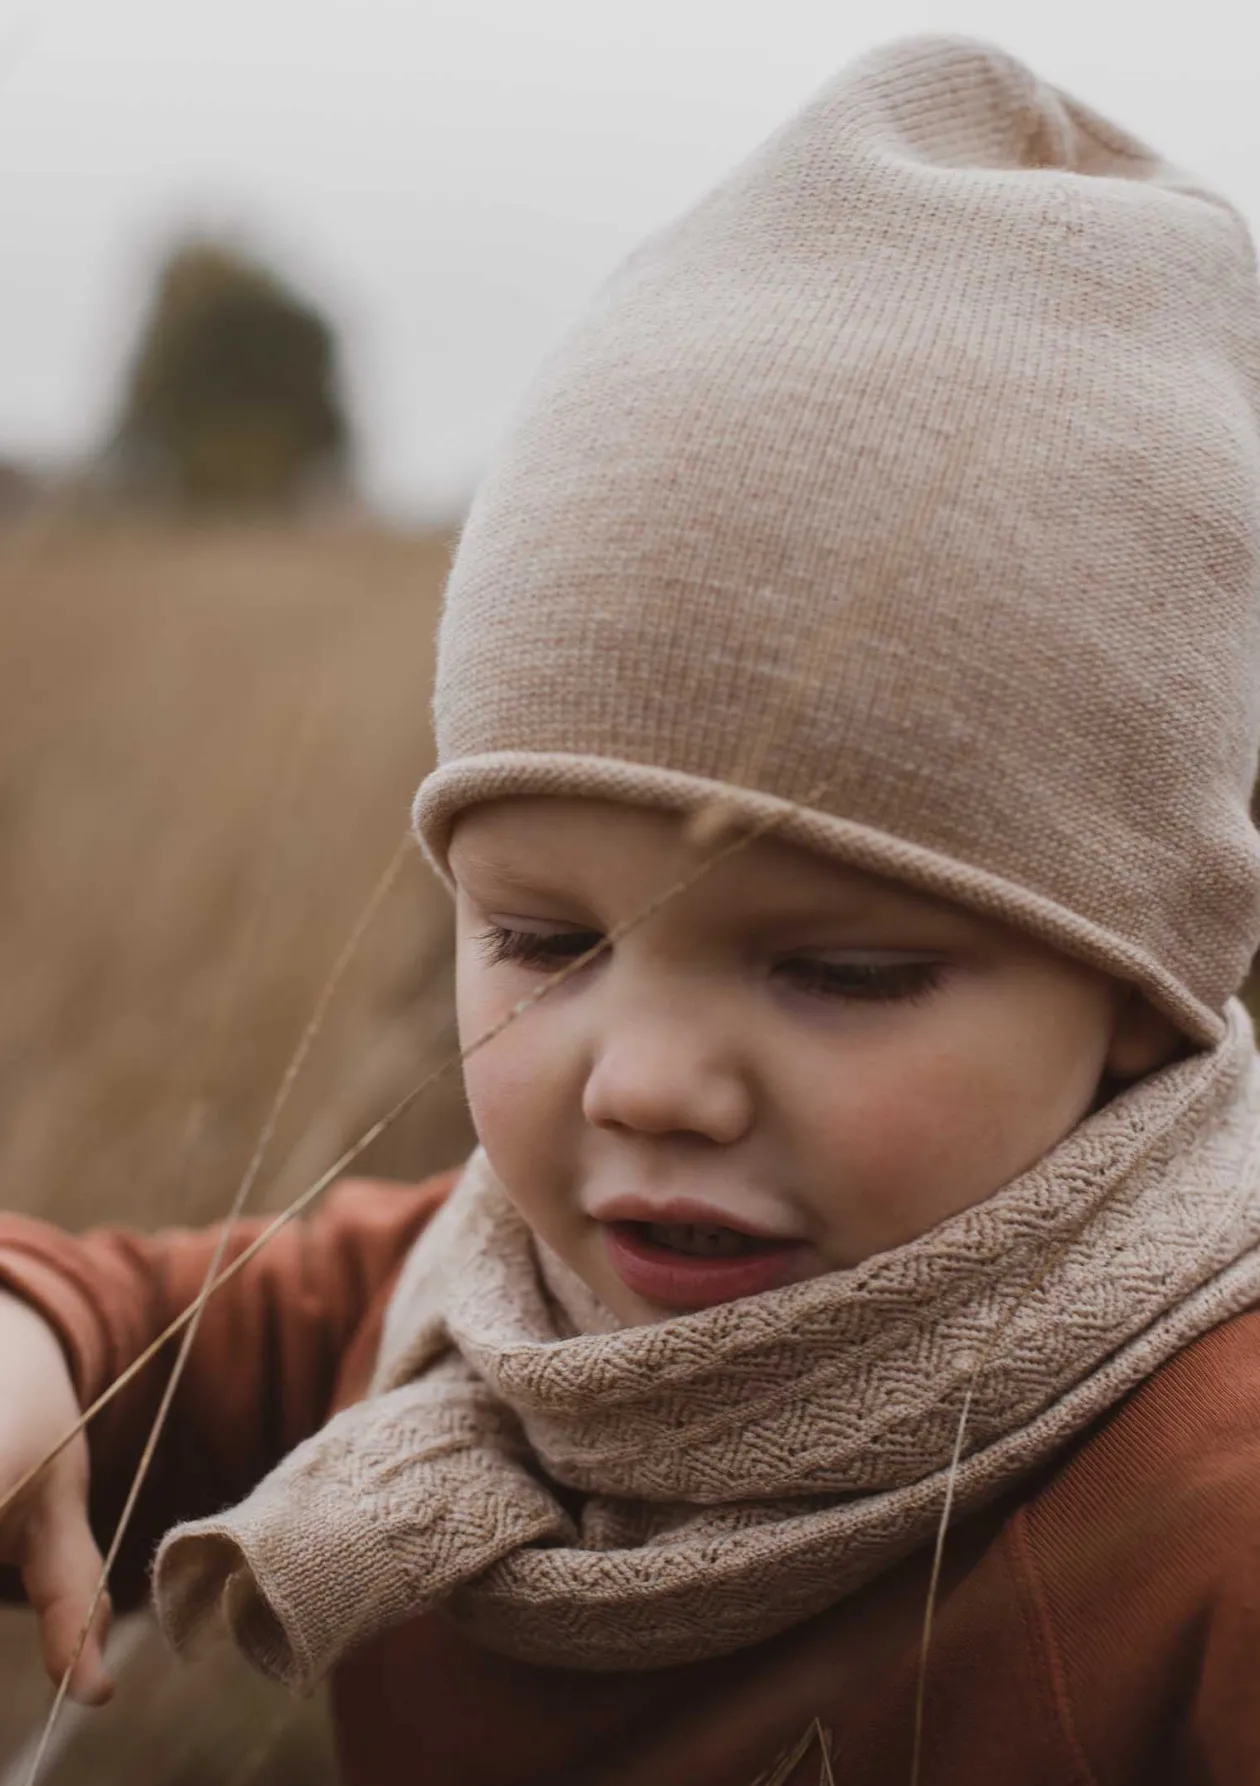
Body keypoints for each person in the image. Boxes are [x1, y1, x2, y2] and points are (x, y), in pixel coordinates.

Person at [4, 33, 1260, 1785]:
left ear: (1149, 984)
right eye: (544, 938)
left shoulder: (1208, 1508)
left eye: (844, 967)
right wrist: (34, 1339)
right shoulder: (489, 1299)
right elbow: (176, 1331)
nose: (645, 1081)